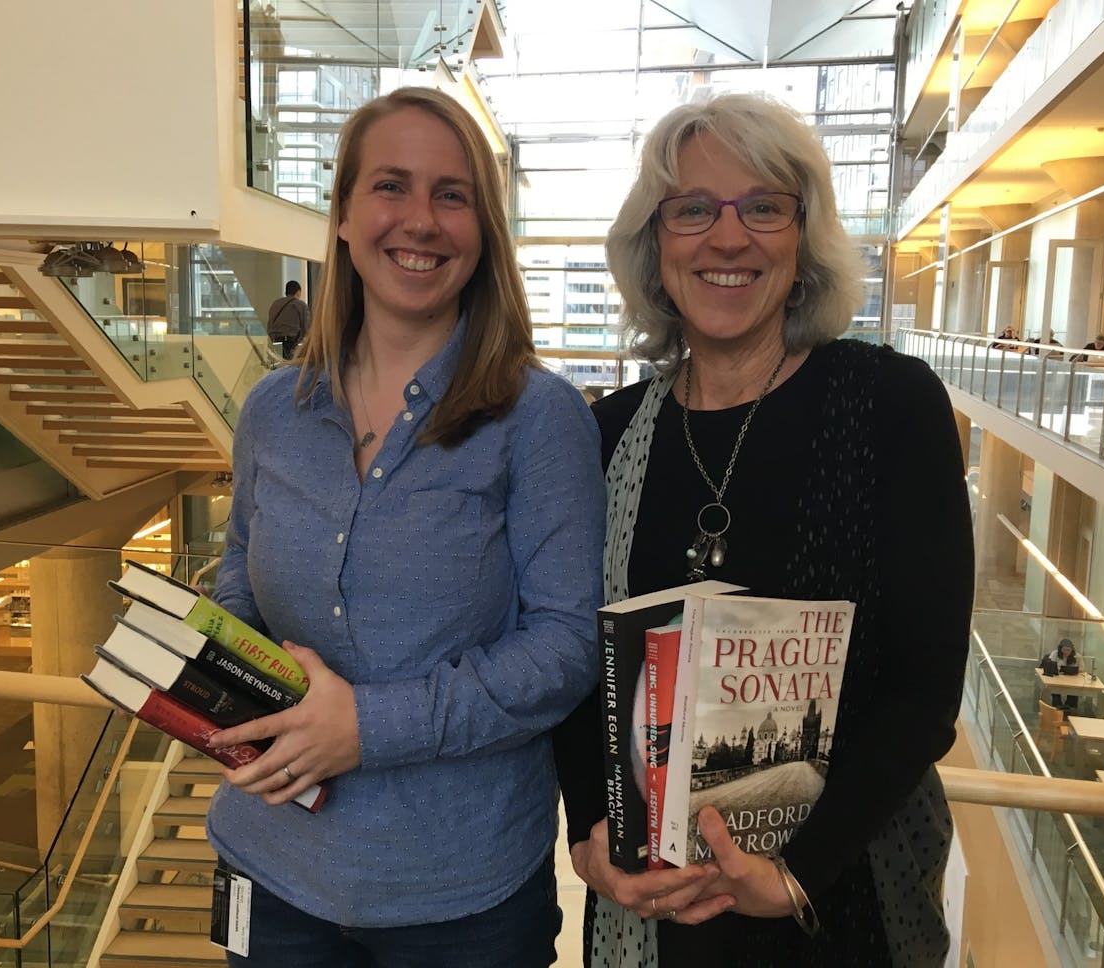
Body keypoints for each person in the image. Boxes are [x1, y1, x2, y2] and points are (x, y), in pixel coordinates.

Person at [553, 93, 973, 967]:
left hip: (836, 906)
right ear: (656, 243)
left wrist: (794, 873)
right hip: (652, 912)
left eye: (764, 207)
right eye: (694, 209)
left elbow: (925, 688)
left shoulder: (890, 406)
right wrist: (590, 825)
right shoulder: (606, 435)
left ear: (803, 236)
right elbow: (576, 662)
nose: (728, 237)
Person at [206, 87, 605, 968]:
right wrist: (248, 678)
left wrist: (367, 726)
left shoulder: (539, 418)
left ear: (482, 231)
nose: (420, 221)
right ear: (344, 214)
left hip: (459, 896)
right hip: (268, 866)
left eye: (452, 195)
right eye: (392, 186)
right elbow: (239, 571)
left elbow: (567, 648)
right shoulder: (275, 408)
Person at [266, 280, 311, 359]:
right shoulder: (301, 305)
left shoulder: (275, 304)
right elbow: (306, 328)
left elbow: (270, 324)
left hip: (274, 342)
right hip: (290, 343)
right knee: (290, 367)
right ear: (298, 292)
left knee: (278, 366)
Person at [1044, 638, 1081, 711]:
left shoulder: (1077, 656)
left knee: (1074, 691)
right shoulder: (1055, 654)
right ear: (1060, 649)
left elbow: (1082, 669)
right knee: (1055, 691)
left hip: (1072, 680)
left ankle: (1070, 709)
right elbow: (1050, 665)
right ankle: (1057, 707)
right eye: (1065, 649)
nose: (1066, 652)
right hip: (1056, 679)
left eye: (1068, 650)